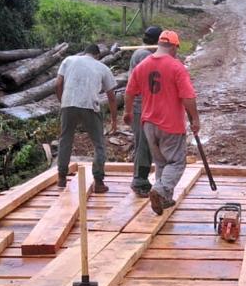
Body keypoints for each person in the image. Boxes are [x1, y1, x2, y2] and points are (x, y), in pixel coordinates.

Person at [123, 30, 201, 215]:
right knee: (176, 162)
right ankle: (160, 190)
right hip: (170, 123)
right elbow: (188, 97)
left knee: (160, 162)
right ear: (174, 47)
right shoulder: (176, 67)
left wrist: (127, 112)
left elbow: (129, 91)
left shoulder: (142, 66)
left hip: (148, 123)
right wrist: (195, 119)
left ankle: (163, 198)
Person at [54, 44, 117, 193]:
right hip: (90, 106)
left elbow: (57, 84)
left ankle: (61, 178)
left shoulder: (69, 60)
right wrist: (114, 120)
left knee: (65, 140)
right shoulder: (102, 67)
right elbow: (112, 97)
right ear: (97, 55)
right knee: (99, 144)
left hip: (68, 104)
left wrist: (63, 101)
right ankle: (99, 182)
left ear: (84, 52)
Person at [125, 25, 162, 197]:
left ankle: (142, 179)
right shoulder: (145, 55)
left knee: (146, 143)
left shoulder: (141, 53)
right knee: (143, 144)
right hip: (141, 105)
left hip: (142, 105)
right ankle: (139, 180)